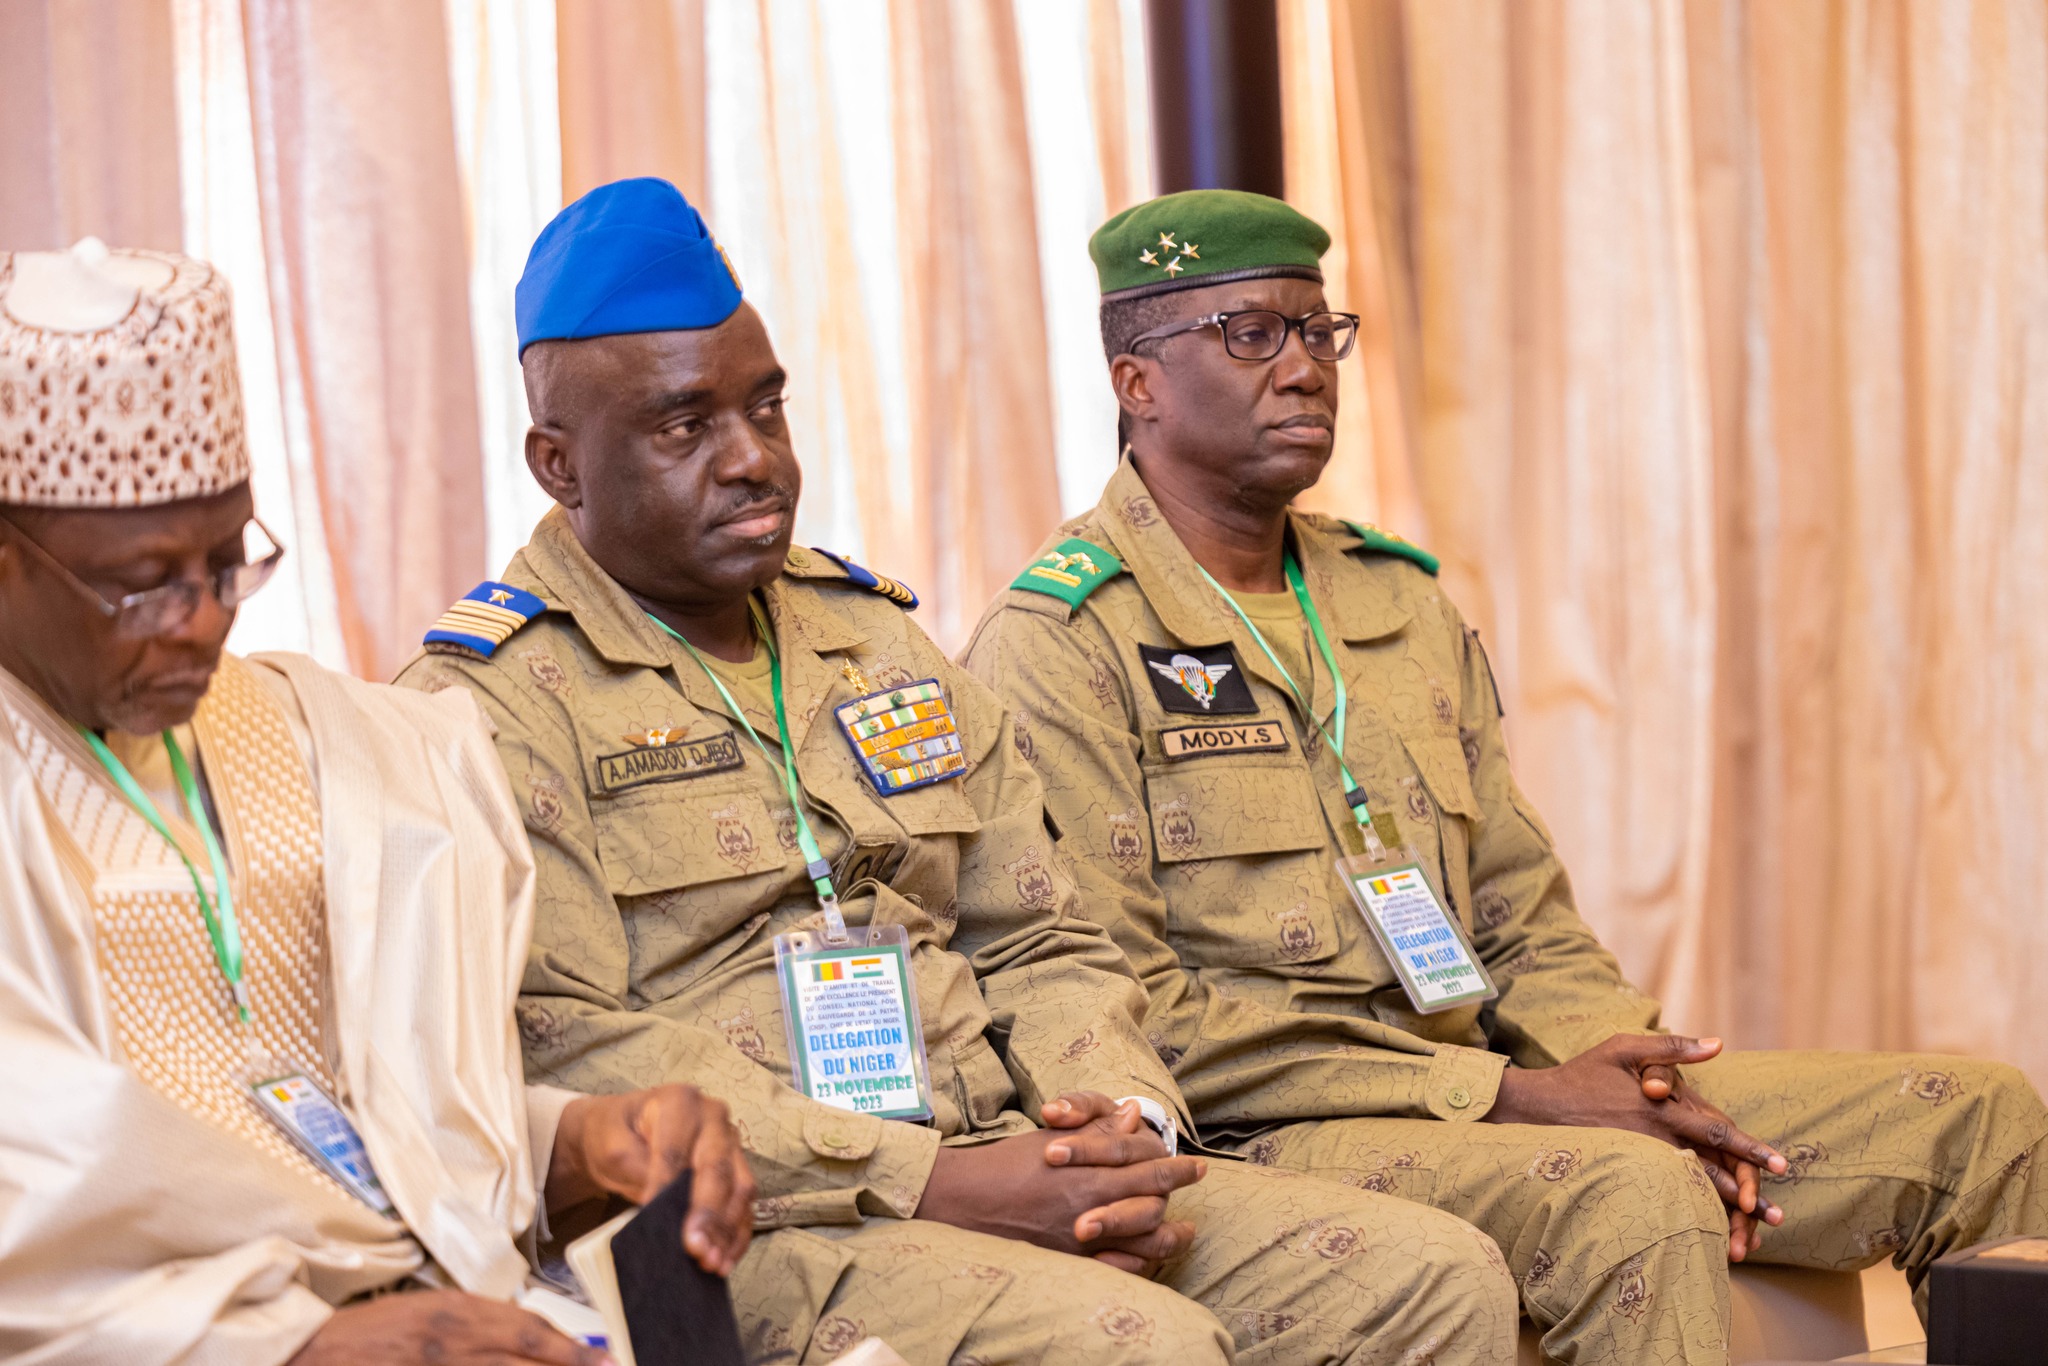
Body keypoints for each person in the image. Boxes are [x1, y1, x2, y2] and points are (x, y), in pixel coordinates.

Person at [396, 176, 1519, 1365]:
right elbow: (563, 1043)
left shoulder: (871, 640)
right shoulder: (485, 706)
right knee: (1138, 1346)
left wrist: (1109, 1126)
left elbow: (1038, 930)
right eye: (686, 427)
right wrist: (934, 1179)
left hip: (1005, 1152)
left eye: (767, 409)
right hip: (756, 1228)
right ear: (558, 465)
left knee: (1432, 1279)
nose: (753, 461)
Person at [960, 189, 2048, 1366]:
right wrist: (1505, 1096)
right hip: (1270, 1130)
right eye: (1250, 334)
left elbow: (1522, 912)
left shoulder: (1394, 600)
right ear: (1137, 382)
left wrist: (1632, 1078)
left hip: (1493, 1085)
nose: (1304, 369)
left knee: (1980, 1118)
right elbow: (1128, 1012)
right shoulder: (1061, 641)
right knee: (1631, 1193)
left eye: (1317, 331)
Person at [0, 240, 756, 1364]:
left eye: (228, 562)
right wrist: (297, 1348)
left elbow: (379, 1148)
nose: (202, 621)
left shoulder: (331, 744)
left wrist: (583, 1141)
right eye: (144, 583)